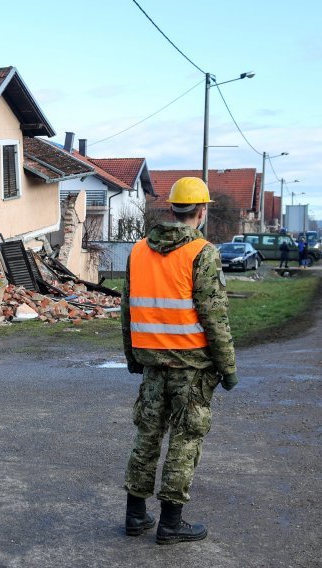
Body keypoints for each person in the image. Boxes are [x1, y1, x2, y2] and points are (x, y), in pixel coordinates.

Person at [121, 177, 237, 545]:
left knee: (147, 435)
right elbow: (214, 316)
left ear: (171, 209)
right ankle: (171, 522)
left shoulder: (138, 250)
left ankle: (135, 515)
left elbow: (127, 309)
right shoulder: (203, 252)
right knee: (185, 440)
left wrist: (132, 356)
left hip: (152, 362)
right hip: (192, 368)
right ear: (200, 211)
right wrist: (228, 367)